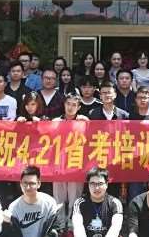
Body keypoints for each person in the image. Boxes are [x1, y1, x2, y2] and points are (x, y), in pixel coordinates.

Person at [52, 94, 89, 223]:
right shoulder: (56, 121)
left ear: (79, 107)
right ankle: (60, 223)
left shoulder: (84, 122)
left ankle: (73, 223)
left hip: (76, 162)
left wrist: (87, 123)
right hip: (59, 162)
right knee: (59, 196)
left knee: (75, 196)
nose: (70, 107)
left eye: (74, 105)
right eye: (68, 104)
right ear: (64, 104)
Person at [3, 166, 64, 237]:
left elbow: (56, 227)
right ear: (20, 184)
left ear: (39, 184)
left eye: (32, 183)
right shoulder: (14, 207)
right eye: (25, 183)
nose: (28, 187)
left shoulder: (49, 203)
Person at [72, 167, 123, 237]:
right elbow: (78, 227)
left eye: (100, 183)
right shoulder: (79, 203)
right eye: (93, 183)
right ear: (88, 184)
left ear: (107, 184)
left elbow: (115, 228)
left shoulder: (115, 203)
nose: (96, 188)